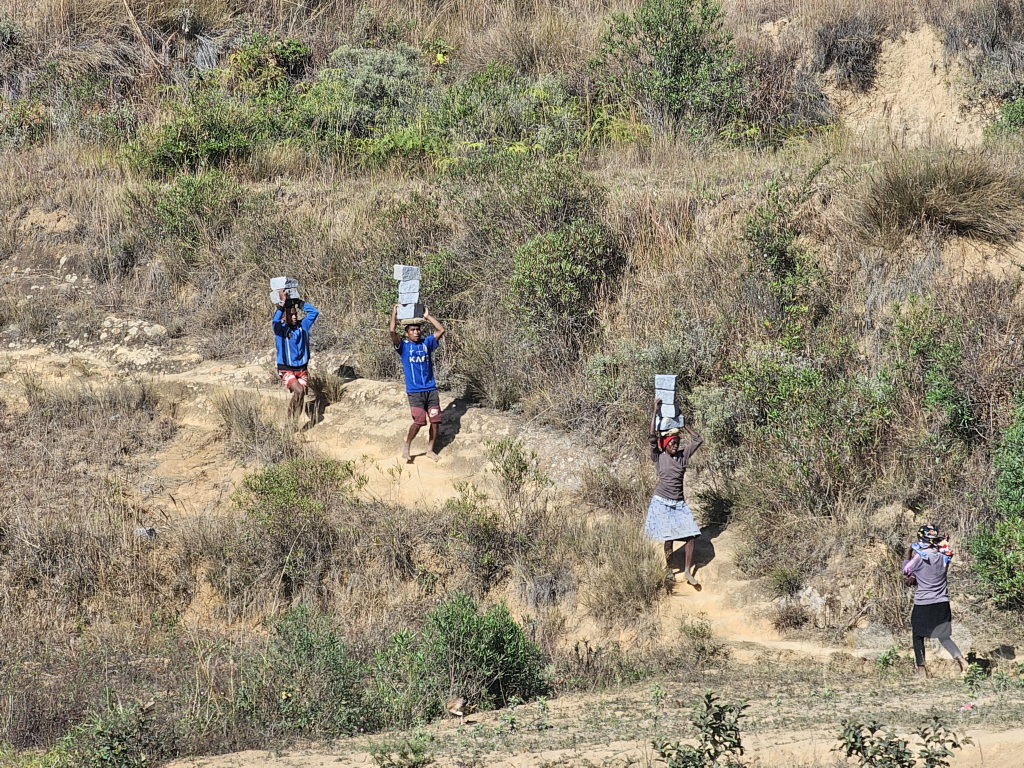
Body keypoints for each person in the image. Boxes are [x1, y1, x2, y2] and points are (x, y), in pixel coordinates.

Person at [646, 398, 704, 586]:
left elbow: (698, 439)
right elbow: (652, 436)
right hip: (662, 502)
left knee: (691, 535)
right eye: (672, 442)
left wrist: (682, 424)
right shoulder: (658, 457)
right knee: (668, 537)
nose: (675, 445)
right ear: (666, 443)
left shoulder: (683, 456)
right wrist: (655, 410)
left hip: (679, 503)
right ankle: (669, 568)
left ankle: (688, 572)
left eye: (677, 442)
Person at [903, 524, 970, 679]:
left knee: (918, 636)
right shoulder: (944, 557)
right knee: (943, 636)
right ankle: (962, 661)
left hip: (924, 603)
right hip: (942, 603)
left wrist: (909, 552)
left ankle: (921, 672)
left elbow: (906, 571)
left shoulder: (920, 556)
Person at [389, 304, 445, 461]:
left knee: (435, 421)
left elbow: (441, 331)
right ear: (406, 333)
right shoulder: (404, 347)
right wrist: (394, 313)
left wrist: (428, 317)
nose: (416, 332)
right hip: (415, 392)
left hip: (431, 390)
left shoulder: (426, 343)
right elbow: (392, 331)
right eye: (412, 330)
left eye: (417, 329)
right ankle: (407, 445)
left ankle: (430, 450)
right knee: (420, 421)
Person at [272, 289, 319, 419]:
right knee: (299, 390)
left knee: (301, 395)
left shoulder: (302, 326)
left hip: (302, 369)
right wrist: (282, 304)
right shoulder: (280, 330)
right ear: (283, 316)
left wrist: (299, 303)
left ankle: (294, 421)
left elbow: (314, 312)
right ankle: (289, 421)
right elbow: (274, 321)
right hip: (286, 369)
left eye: (295, 314)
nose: (294, 316)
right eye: (291, 314)